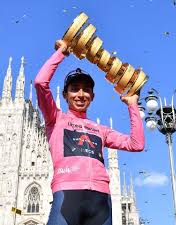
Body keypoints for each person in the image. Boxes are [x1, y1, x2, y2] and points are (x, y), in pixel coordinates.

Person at [35, 40, 145, 225]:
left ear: (92, 97)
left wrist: (132, 105)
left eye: (86, 90)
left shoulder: (101, 130)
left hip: (100, 200)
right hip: (67, 195)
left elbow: (137, 144)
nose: (80, 94)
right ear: (65, 95)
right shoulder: (55, 119)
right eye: (74, 89)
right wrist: (62, 52)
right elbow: (40, 83)